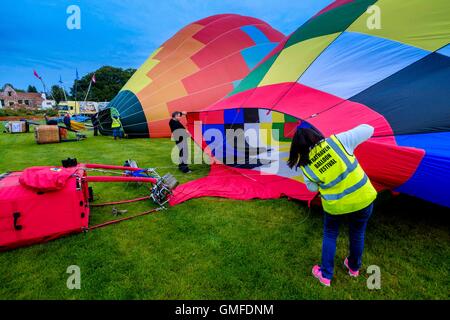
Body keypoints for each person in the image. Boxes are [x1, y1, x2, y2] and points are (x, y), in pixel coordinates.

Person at [287, 124, 377, 287]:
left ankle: (326, 275)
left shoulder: (306, 166)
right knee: (357, 233)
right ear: (315, 135)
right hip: (363, 198)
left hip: (335, 206)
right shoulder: (338, 141)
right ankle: (354, 268)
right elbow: (369, 129)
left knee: (330, 234)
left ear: (297, 148)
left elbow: (312, 188)